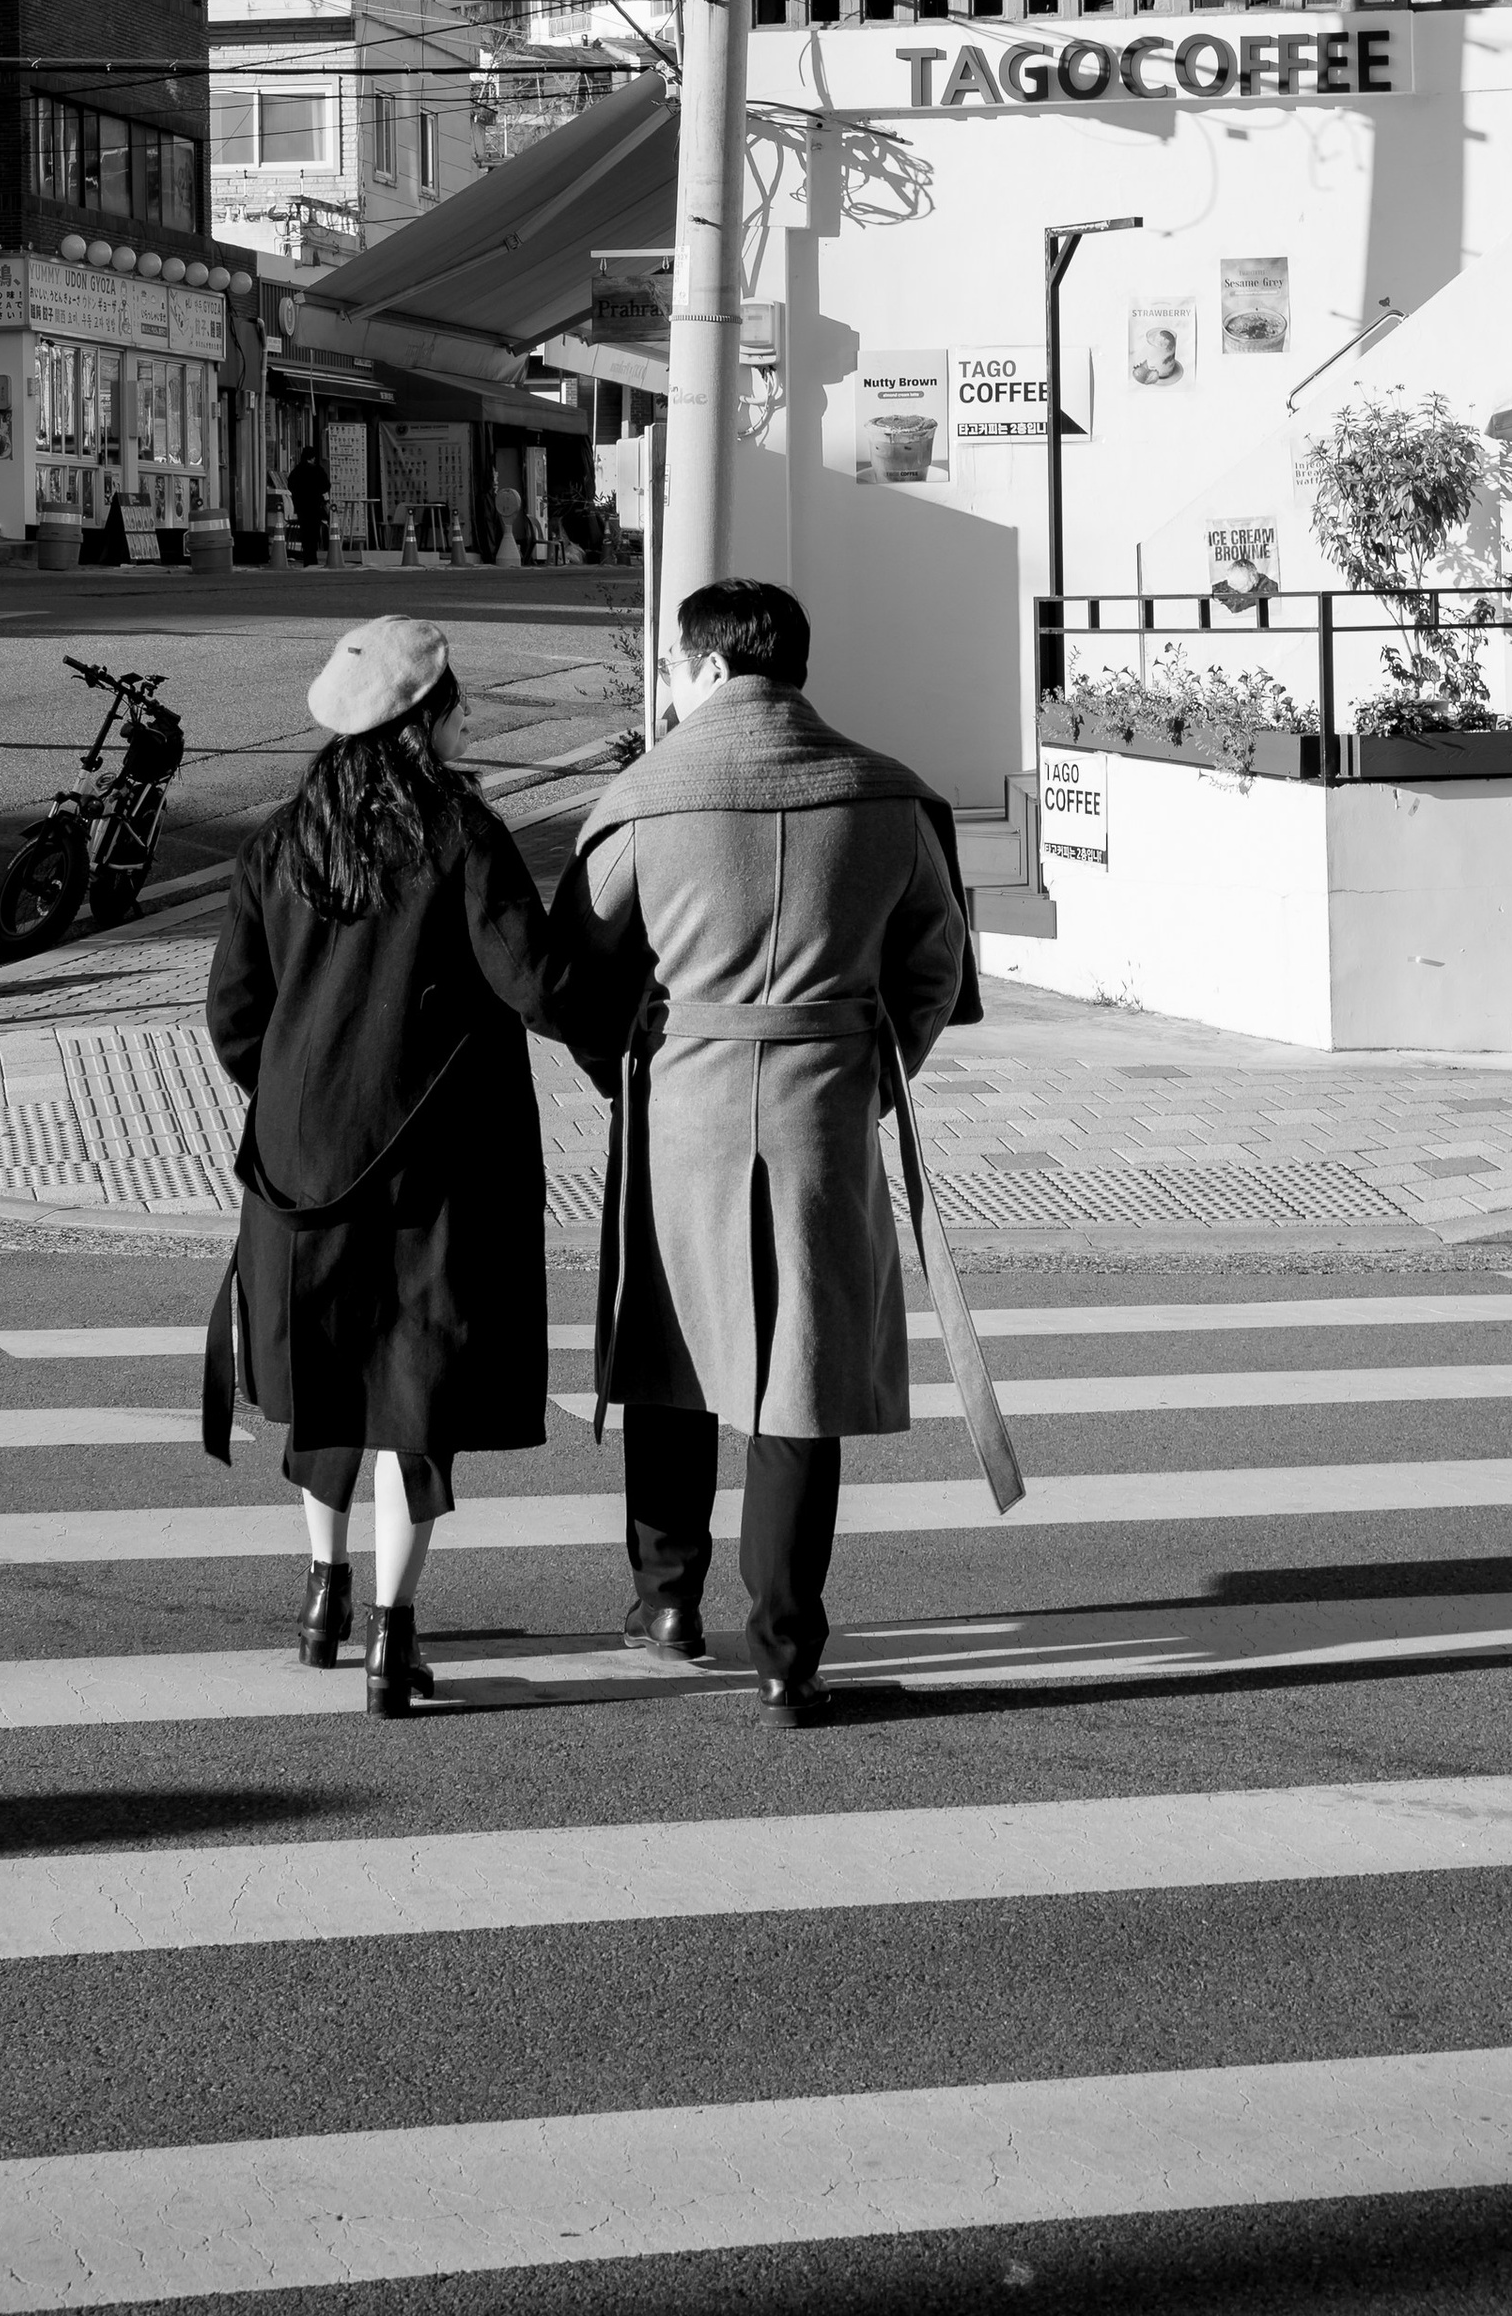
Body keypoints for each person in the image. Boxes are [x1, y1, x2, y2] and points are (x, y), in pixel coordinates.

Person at [545, 578, 975, 1721]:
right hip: (822, 1105)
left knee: (672, 1353)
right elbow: (935, 968)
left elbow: (575, 975)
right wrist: (877, 1075)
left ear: (709, 668)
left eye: (675, 668)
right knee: (799, 1378)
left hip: (681, 1099)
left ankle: (668, 1601)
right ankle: (787, 1651)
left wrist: (621, 1067)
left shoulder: (642, 798)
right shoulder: (888, 794)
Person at [203, 615, 564, 1718]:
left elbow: (232, 1014)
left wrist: (301, 1095)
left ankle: (322, 1595)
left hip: (302, 1166)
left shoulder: (282, 837)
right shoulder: (462, 833)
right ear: (426, 715)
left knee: (322, 1381)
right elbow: (534, 981)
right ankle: (391, 1638)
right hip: (435, 1165)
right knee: (415, 1390)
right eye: (458, 699)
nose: (469, 716)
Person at [286, 437, 330, 570]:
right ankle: (313, 559)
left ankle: (307, 559)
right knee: (314, 533)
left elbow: (290, 485)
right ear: (313, 458)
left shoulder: (297, 471)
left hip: (301, 506)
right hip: (315, 506)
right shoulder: (318, 470)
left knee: (305, 533)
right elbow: (326, 486)